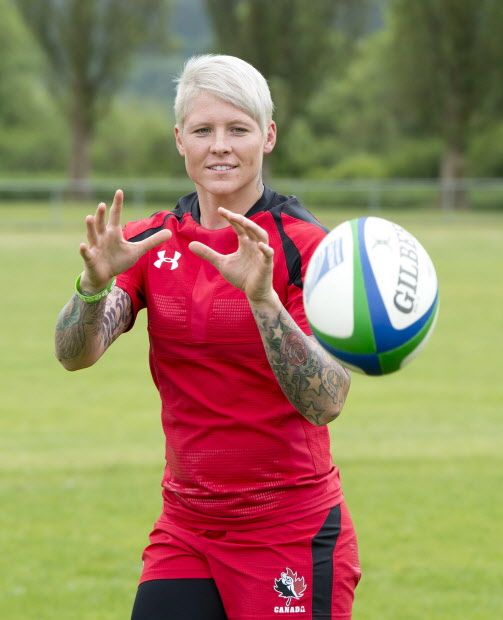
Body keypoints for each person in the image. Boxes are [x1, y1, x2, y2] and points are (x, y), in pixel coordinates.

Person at [55, 54, 361, 620]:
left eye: (237, 129)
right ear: (180, 141)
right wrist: (93, 285)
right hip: (186, 530)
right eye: (203, 130)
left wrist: (263, 299)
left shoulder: (306, 247)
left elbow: (327, 400)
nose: (220, 145)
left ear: (267, 136)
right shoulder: (152, 242)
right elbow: (76, 353)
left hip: (288, 529)